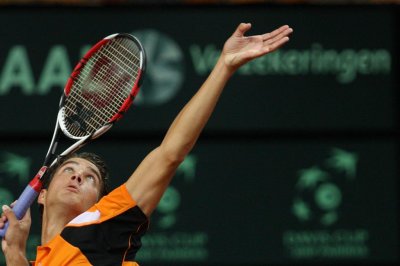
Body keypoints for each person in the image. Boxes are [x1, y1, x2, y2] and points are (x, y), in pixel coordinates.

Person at [0, 22, 293, 265]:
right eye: (69, 169)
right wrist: (15, 251)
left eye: (90, 178)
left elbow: (170, 154)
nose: (78, 175)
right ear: (42, 195)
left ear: (100, 202)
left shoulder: (102, 224)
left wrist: (223, 68)